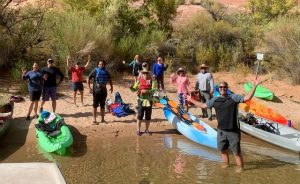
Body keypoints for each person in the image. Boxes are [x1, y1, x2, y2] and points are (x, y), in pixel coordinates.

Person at [186, 80, 260, 172]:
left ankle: (240, 168)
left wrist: (255, 86)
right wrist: (191, 100)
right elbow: (203, 105)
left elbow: (247, 98)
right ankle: (226, 165)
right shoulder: (215, 100)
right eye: (220, 87)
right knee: (222, 150)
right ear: (218, 89)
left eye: (224, 87)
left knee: (236, 152)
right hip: (221, 131)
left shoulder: (234, 98)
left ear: (227, 88)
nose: (222, 89)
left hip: (233, 131)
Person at [130, 69, 157, 136]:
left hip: (149, 100)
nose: (145, 75)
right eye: (143, 73)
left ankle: (147, 130)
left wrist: (147, 91)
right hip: (141, 100)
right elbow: (134, 89)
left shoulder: (153, 81)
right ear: (142, 74)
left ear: (149, 74)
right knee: (140, 116)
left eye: (146, 73)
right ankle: (138, 130)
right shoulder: (139, 81)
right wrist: (130, 87)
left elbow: (154, 89)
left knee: (148, 116)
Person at [87, 60, 113, 125]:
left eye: (102, 64)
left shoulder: (106, 71)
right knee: (95, 105)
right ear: (98, 65)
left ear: (104, 65)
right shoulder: (95, 71)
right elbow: (88, 78)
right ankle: (94, 120)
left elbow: (110, 79)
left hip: (104, 91)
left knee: (102, 105)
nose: (101, 65)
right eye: (100, 64)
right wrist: (89, 87)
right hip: (96, 91)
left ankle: (102, 119)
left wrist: (111, 87)